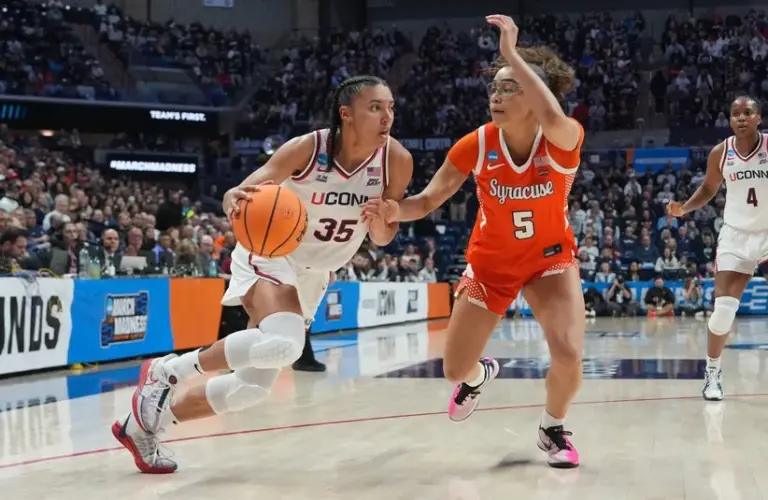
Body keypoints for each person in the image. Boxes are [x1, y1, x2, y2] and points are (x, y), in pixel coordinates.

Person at [112, 75, 414, 473]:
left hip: (314, 273)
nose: (387, 116)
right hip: (272, 252)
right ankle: (168, 371)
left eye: (390, 107)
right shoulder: (309, 148)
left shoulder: (396, 160)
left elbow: (383, 235)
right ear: (347, 114)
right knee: (287, 344)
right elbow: (244, 190)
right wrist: (231, 197)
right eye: (375, 107)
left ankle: (143, 427)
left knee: (250, 388)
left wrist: (380, 220)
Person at [364, 15, 585, 469]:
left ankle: (553, 429)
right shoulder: (477, 144)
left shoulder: (564, 138)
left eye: (509, 88)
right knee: (453, 370)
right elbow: (425, 201)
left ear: (534, 94)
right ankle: (480, 374)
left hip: (549, 261)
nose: (497, 96)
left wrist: (510, 55)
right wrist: (394, 209)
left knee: (567, 352)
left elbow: (552, 114)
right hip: (490, 265)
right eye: (494, 89)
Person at [667, 96, 768, 402]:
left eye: (747, 112)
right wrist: (684, 209)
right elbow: (709, 189)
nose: (740, 118)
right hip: (736, 236)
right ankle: (712, 372)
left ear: (758, 118)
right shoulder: (720, 153)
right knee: (723, 312)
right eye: (735, 114)